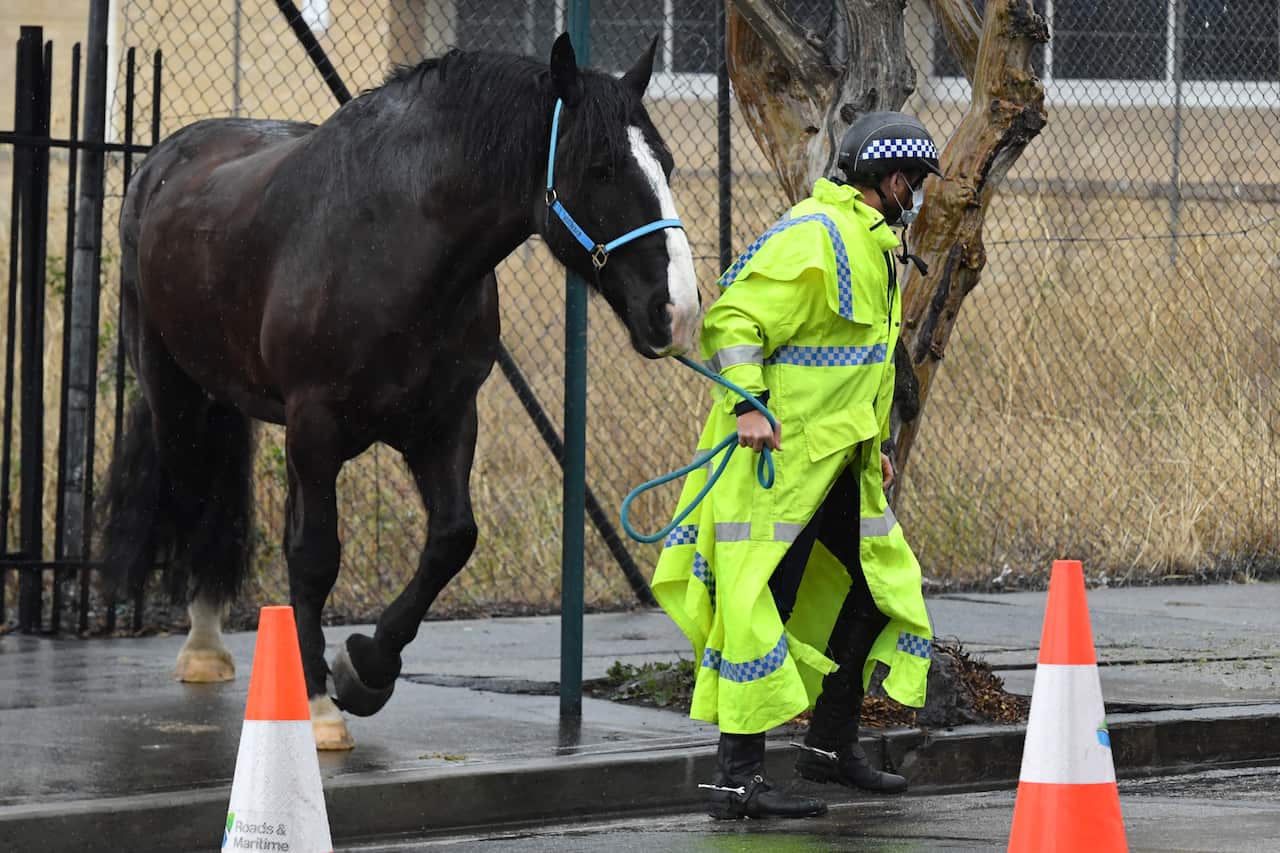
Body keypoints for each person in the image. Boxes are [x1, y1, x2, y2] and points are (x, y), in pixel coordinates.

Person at [650, 111, 942, 820]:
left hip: (838, 463)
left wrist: (874, 452)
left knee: (878, 590)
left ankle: (827, 745)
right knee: (763, 603)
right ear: (893, 180)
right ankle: (736, 777)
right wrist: (750, 406)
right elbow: (734, 320)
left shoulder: (870, 243)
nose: (920, 198)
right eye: (917, 184)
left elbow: (859, 365)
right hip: (779, 462)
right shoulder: (815, 233)